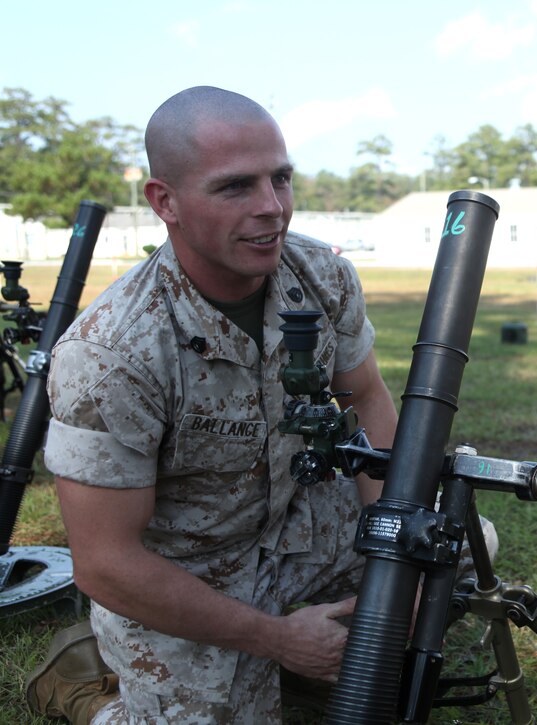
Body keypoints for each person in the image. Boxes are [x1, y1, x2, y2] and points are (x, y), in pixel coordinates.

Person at [27, 86, 434, 723]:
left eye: (281, 179)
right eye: (235, 187)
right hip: (184, 571)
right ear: (165, 202)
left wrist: (397, 551)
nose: (273, 208)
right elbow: (105, 564)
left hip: (294, 528)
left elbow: (369, 397)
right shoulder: (112, 354)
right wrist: (278, 639)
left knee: (451, 550)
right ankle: (87, 686)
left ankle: (291, 668)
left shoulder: (321, 278)